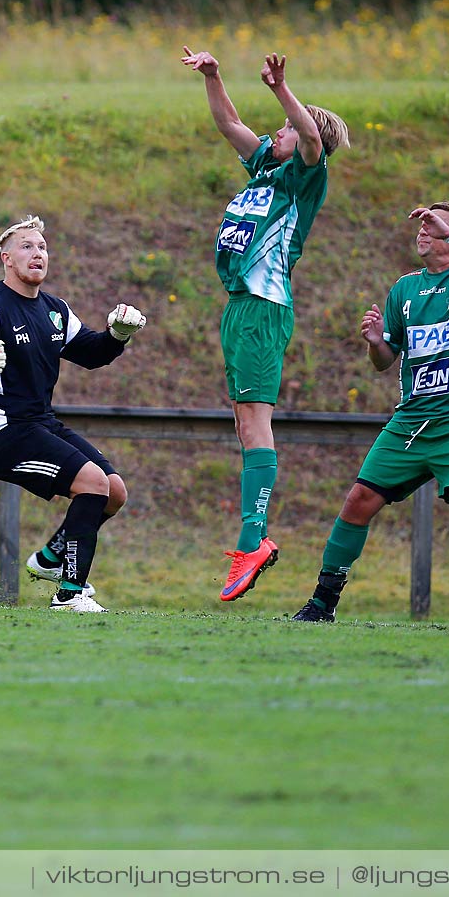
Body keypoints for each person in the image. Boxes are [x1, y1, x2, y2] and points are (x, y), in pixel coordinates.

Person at [290, 203, 449, 631]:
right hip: (411, 421)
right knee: (357, 502)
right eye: (422, 224)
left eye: (434, 225)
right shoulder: (404, 289)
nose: (424, 230)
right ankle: (321, 604)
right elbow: (387, 360)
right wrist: (373, 341)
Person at [181, 46, 350, 602]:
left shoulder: (304, 176)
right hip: (239, 308)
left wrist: (281, 90)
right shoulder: (264, 168)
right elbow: (228, 121)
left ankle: (254, 540)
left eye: (283, 128)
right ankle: (252, 538)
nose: (276, 133)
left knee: (255, 426)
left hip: (262, 308)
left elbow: (309, 139)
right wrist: (214, 75)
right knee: (243, 425)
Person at [0, 216, 146, 612]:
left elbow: (92, 353)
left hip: (38, 422)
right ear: (6, 258)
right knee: (91, 483)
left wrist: (118, 334)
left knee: (113, 491)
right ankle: (68, 597)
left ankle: (52, 559)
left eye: (42, 247)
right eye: (26, 247)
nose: (38, 254)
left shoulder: (55, 310)